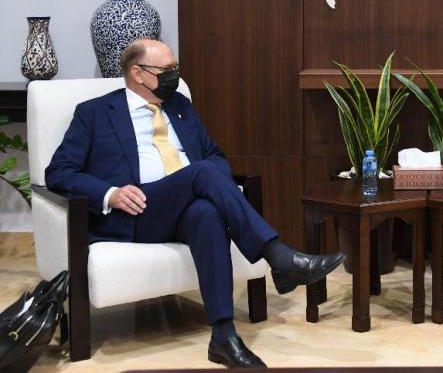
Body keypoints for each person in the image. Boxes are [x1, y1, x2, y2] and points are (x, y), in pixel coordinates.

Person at [46, 39, 344, 369]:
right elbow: (58, 172)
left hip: (184, 207)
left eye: (176, 68)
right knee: (201, 172)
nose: (174, 75)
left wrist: (205, 185)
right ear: (137, 73)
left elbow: (215, 156)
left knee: (206, 212)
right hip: (137, 212)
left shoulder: (180, 107)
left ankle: (223, 337)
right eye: (166, 69)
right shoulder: (94, 113)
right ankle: (277, 256)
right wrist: (110, 193)